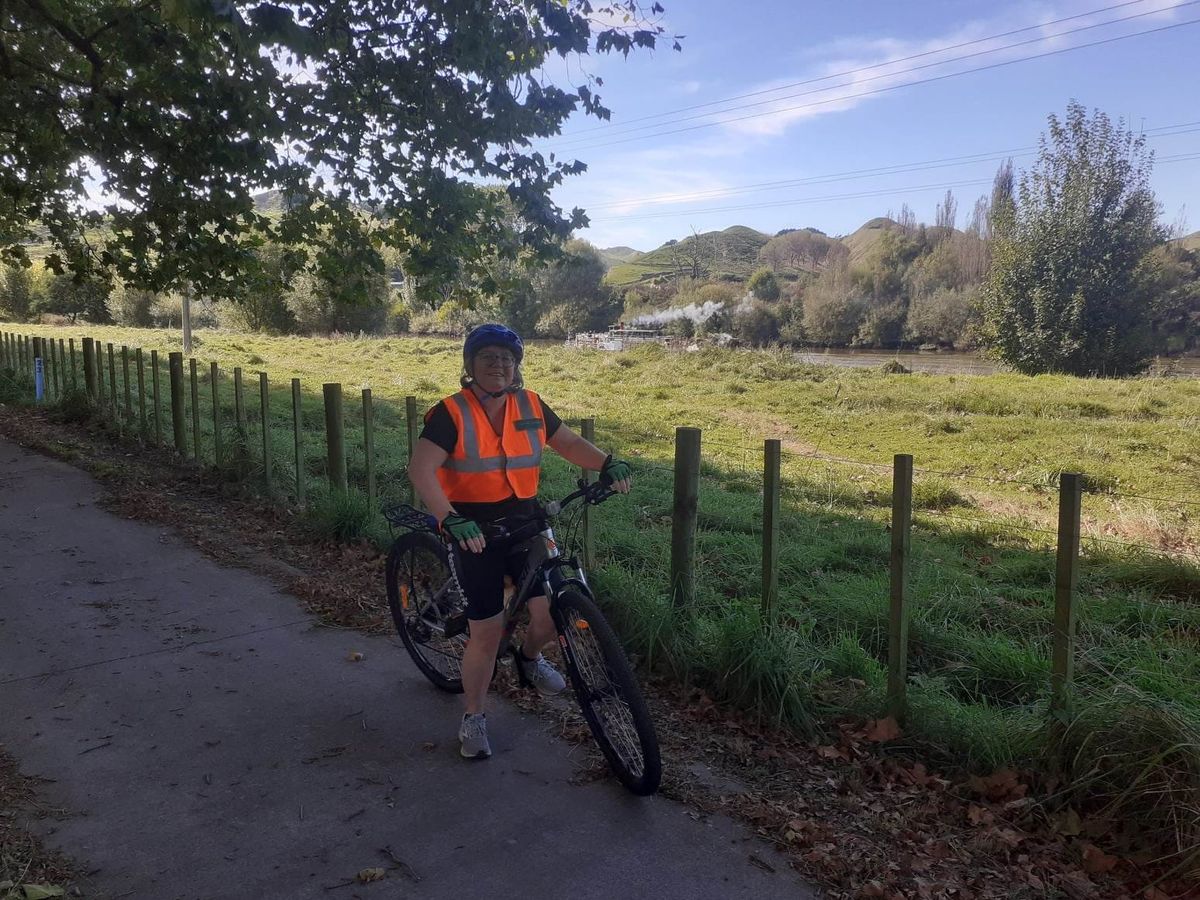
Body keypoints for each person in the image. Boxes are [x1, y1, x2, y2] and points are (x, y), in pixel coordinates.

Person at [408, 323, 633, 760]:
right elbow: (421, 470)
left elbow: (566, 442)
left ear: (517, 368)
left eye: (507, 359)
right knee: (487, 634)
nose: (499, 365)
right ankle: (474, 715)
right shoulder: (451, 412)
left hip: (527, 519)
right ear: (471, 365)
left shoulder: (530, 404)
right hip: (473, 530)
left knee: (550, 613)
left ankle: (529, 658)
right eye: (489, 357)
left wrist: (607, 462)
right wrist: (449, 519)